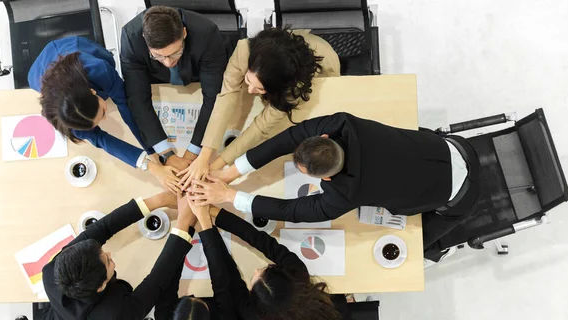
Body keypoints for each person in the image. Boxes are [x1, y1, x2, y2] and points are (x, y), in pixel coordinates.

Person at [189, 112, 481, 259]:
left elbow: (293, 211)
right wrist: (231, 173)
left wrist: (229, 196)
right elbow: (287, 138)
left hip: (456, 196)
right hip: (450, 147)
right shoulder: (343, 125)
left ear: (326, 179)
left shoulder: (345, 194)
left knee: (417, 249)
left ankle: (443, 252)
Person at [41, 191, 197, 320]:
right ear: (101, 287)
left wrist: (160, 200)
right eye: (108, 261)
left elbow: (103, 227)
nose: (108, 253)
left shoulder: (53, 270)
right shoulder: (114, 317)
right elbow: (157, 281)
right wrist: (184, 222)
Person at [178, 27, 341, 189]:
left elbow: (260, 127)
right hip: (283, 52)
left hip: (321, 65)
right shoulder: (244, 51)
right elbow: (227, 97)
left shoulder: (293, 88)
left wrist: (217, 165)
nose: (249, 91)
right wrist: (204, 157)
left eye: (260, 89)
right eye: (248, 81)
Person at [28, 36, 180, 192]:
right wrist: (150, 166)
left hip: (74, 48)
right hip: (42, 74)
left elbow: (126, 106)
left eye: (102, 112)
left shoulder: (99, 69)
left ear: (93, 91)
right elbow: (100, 139)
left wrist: (153, 151)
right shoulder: (64, 117)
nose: (106, 118)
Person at [203, 206, 342, 320]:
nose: (256, 270)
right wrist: (211, 211)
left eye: (253, 284)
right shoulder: (297, 272)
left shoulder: (254, 317)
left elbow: (229, 277)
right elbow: (260, 240)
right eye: (264, 270)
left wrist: (207, 227)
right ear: (284, 274)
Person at [121, 6, 228, 171]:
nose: (168, 62)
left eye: (175, 52)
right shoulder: (130, 37)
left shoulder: (207, 33)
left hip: (197, 77)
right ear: (144, 38)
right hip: (157, 81)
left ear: (184, 33)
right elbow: (138, 99)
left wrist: (191, 154)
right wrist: (167, 155)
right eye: (158, 55)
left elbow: (213, 96)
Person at [155, 197, 250, 320]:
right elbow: (221, 280)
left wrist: (186, 227)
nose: (194, 295)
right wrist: (206, 228)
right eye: (199, 301)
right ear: (209, 319)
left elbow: (168, 276)